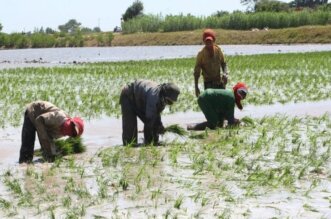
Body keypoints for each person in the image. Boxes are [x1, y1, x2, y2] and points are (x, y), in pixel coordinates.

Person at [19, 101, 84, 163]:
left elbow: (50, 139)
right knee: (27, 148)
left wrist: (52, 153)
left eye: (73, 133)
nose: (71, 131)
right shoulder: (59, 117)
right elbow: (39, 120)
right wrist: (44, 137)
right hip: (33, 112)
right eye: (72, 127)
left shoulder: (61, 133)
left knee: (47, 150)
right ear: (71, 121)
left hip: (44, 123)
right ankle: (23, 166)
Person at [120, 79, 180, 146]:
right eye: (168, 101)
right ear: (164, 95)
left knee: (154, 128)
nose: (168, 104)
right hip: (128, 96)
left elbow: (156, 115)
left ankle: (152, 141)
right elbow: (149, 121)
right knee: (130, 140)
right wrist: (148, 143)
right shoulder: (153, 97)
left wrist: (159, 125)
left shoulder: (161, 98)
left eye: (171, 103)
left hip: (140, 99)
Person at [194, 28, 229, 97]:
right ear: (204, 41)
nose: (208, 43)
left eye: (210, 41)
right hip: (208, 84)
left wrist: (225, 74)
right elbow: (196, 73)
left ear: (214, 41)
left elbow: (223, 64)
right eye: (206, 41)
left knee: (221, 103)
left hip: (219, 82)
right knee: (211, 103)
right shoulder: (201, 54)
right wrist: (196, 87)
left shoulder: (218, 51)